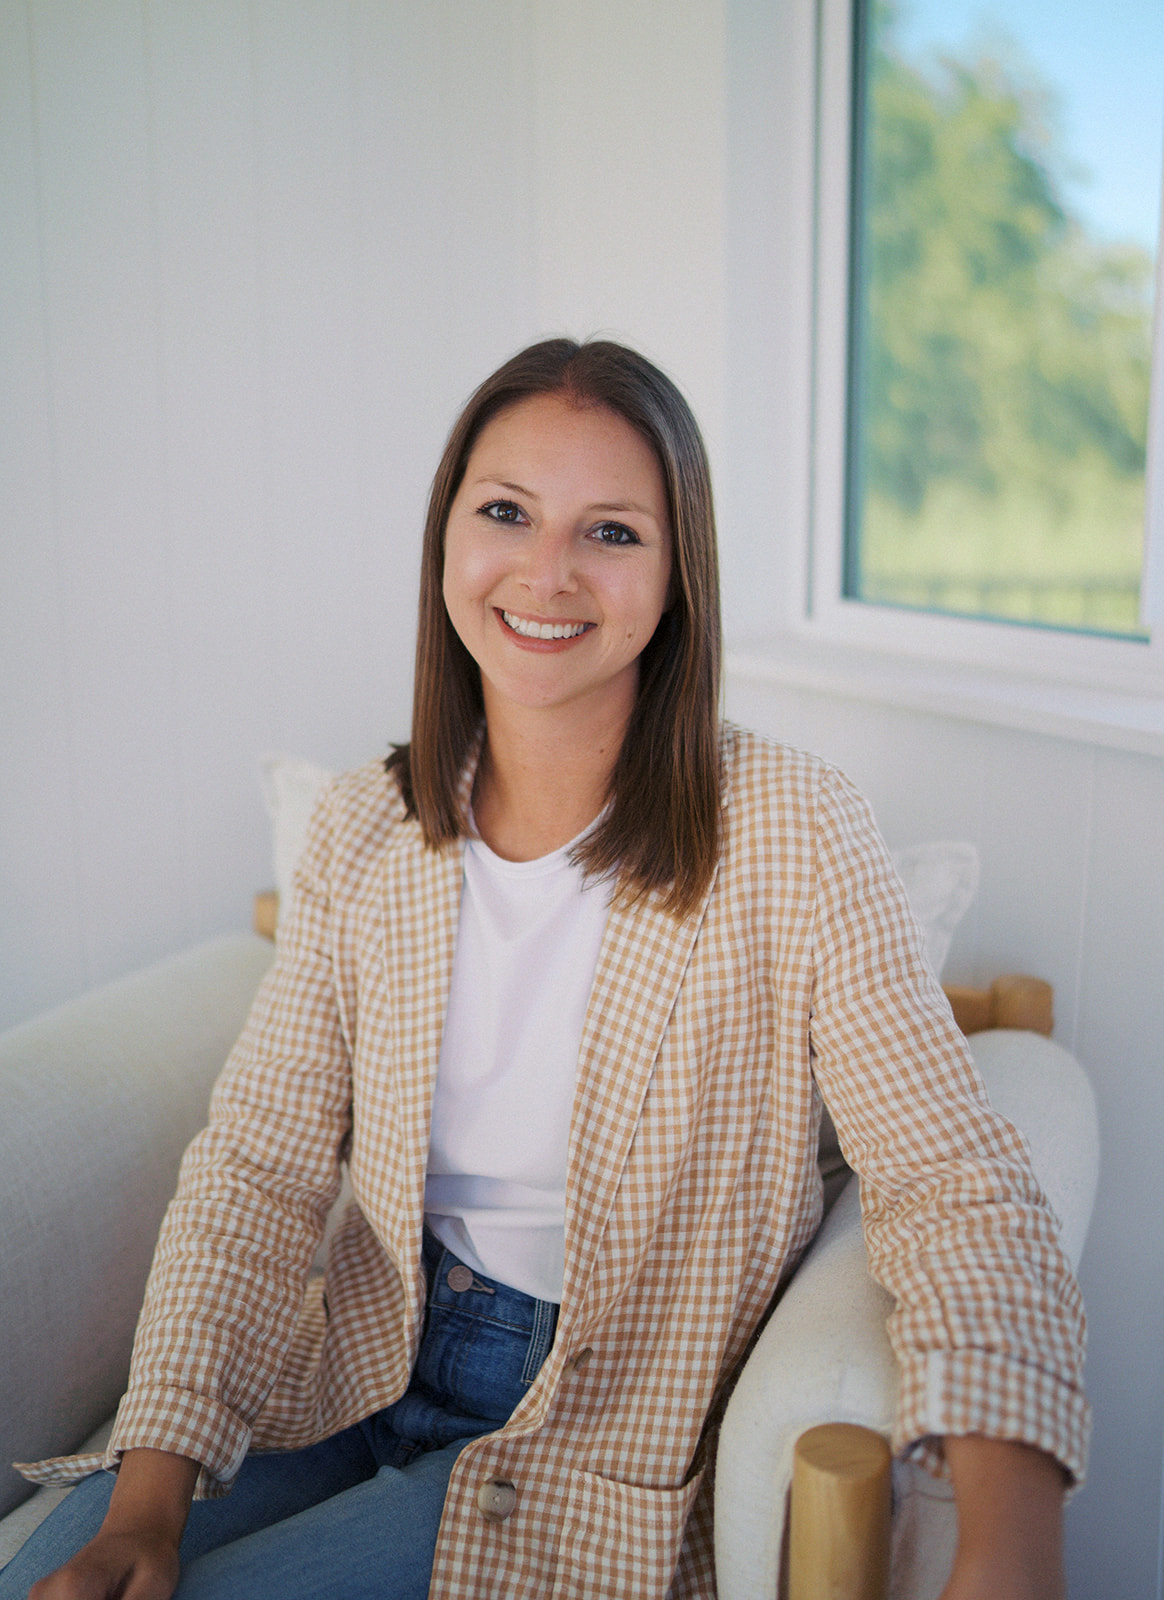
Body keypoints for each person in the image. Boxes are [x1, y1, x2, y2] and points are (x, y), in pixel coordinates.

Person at [3, 338, 1088, 1600]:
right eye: (506, 510)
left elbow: (948, 1177)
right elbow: (256, 1164)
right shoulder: (365, 828)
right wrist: (146, 1504)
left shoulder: (792, 830)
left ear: (679, 576)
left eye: (612, 532)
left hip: (597, 1420)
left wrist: (1010, 1550)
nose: (547, 570)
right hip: (358, 1355)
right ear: (447, 538)